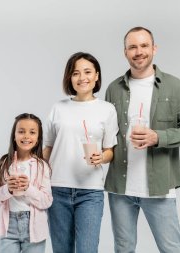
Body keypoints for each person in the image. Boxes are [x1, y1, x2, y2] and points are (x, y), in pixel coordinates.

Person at [105, 26, 180, 253]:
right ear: (125, 52)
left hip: (159, 188)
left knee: (171, 248)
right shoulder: (113, 89)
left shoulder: (174, 86)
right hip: (120, 188)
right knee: (123, 248)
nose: (139, 52)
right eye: (132, 47)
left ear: (154, 48)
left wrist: (158, 137)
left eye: (144, 45)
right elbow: (107, 134)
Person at [43, 52, 119, 253]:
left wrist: (102, 157)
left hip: (90, 192)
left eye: (87, 72)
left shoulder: (107, 109)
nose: (82, 77)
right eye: (75, 73)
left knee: (87, 249)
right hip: (57, 188)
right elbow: (48, 148)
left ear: (96, 76)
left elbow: (110, 150)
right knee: (62, 250)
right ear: (70, 78)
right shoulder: (58, 108)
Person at [0, 113, 53, 253]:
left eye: (32, 132)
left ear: (37, 139)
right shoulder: (4, 164)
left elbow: (47, 201)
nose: (26, 136)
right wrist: (8, 190)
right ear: (14, 135)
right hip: (9, 227)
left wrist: (28, 188)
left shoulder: (42, 166)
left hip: (34, 228)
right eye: (21, 131)